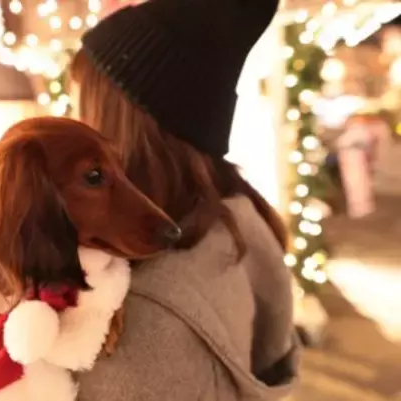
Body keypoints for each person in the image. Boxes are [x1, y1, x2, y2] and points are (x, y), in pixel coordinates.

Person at [69, 0, 299, 400]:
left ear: (116, 126)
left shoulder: (131, 320)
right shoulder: (234, 216)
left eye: (79, 107)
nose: (73, 124)